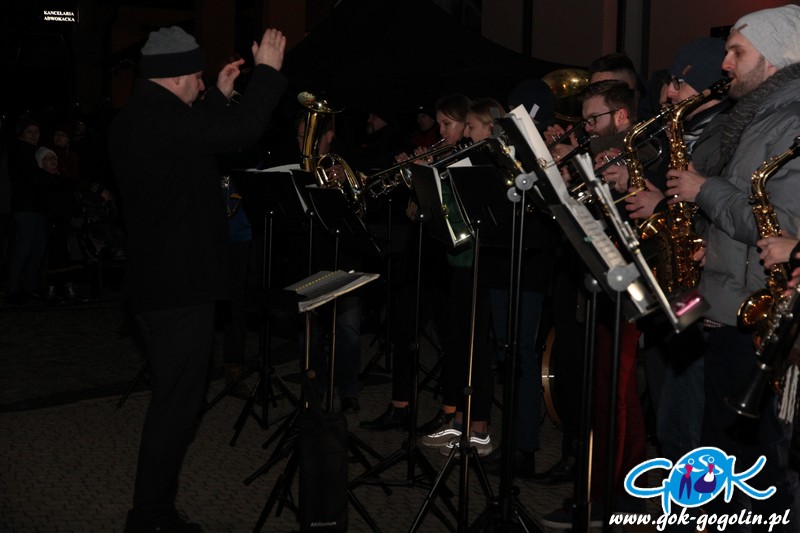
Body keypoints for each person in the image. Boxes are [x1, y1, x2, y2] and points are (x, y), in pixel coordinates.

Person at [108, 25, 287, 533]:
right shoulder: (161, 121)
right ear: (175, 77)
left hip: (160, 286)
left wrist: (221, 96)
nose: (202, 84)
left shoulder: (140, 116)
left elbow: (195, 137)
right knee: (175, 409)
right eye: (197, 77)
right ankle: (151, 517)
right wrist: (267, 74)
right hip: (178, 289)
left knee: (174, 402)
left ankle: (152, 512)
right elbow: (239, 133)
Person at [665, 5, 800, 527]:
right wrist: (709, 242)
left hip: (753, 317)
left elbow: (779, 225)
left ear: (775, 57)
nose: (725, 64)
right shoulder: (759, 113)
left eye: (737, 52)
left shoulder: (789, 120)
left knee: (753, 471)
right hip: (726, 303)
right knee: (722, 456)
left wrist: (704, 191)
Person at [5, 115, 47, 305]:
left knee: (36, 248)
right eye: (29, 131)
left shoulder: (35, 151)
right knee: (24, 248)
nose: (33, 135)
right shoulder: (21, 152)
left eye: (36, 131)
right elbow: (32, 178)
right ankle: (13, 289)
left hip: (36, 206)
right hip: (25, 206)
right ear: (21, 133)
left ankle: (29, 287)